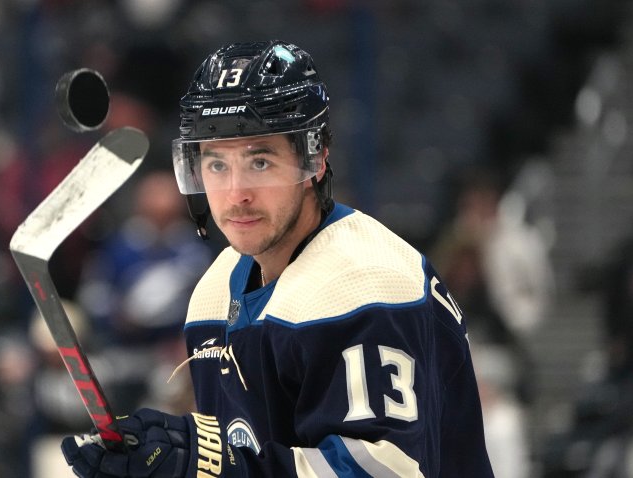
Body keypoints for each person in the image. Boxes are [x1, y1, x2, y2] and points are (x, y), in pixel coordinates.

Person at [61, 40, 494, 477]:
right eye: (215, 165)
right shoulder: (215, 291)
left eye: (260, 162)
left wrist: (204, 468)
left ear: (316, 158)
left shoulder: (366, 285)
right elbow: (249, 455)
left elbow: (384, 471)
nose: (236, 193)